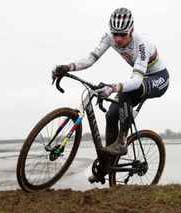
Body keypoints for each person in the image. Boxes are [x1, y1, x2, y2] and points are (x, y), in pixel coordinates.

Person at [52, 7, 169, 182]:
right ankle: (106, 167)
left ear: (131, 30)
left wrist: (112, 88)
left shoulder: (142, 43)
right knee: (111, 115)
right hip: (140, 79)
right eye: (115, 34)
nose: (118, 39)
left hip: (158, 79)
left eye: (123, 35)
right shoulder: (109, 37)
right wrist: (68, 67)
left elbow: (136, 82)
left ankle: (121, 142)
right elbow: (90, 59)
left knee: (124, 92)